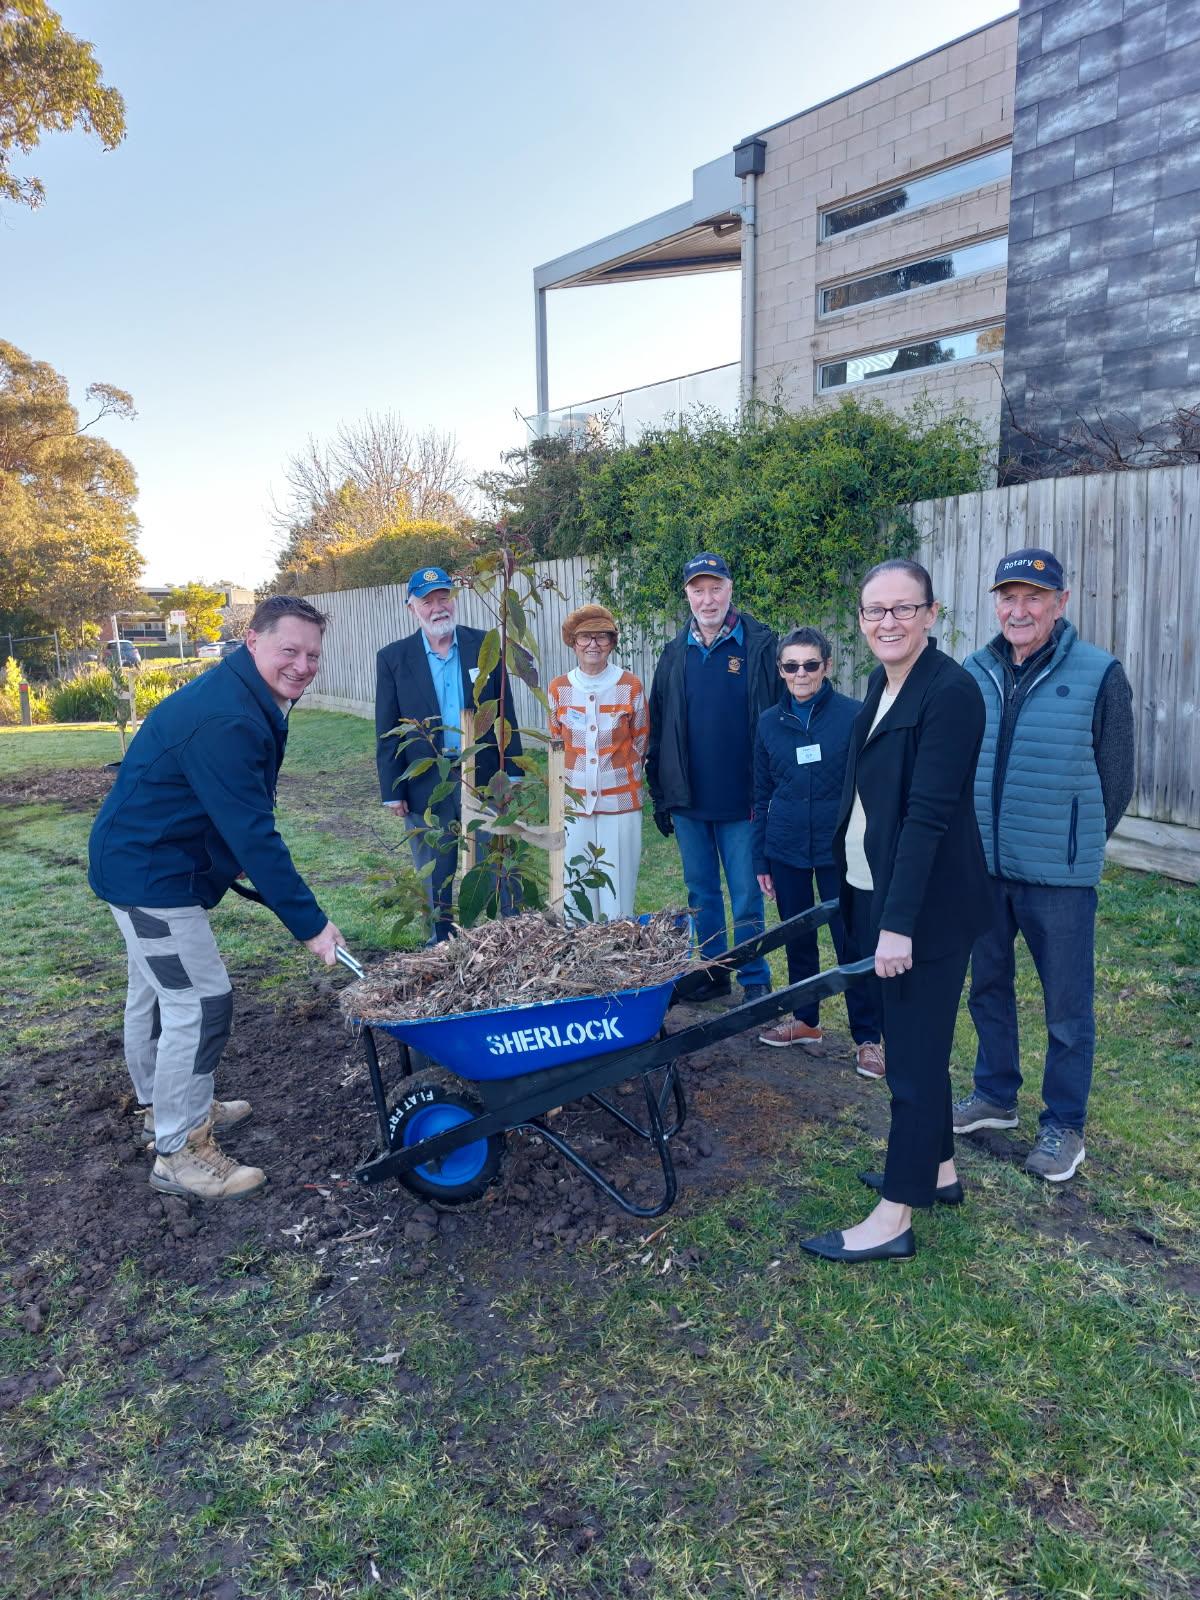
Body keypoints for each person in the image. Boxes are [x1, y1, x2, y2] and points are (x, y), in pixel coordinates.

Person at [88, 596, 345, 1201]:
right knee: (201, 1004)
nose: (303, 665)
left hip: (145, 859)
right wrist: (310, 924)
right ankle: (178, 1152)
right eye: (290, 650)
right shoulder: (228, 717)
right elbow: (251, 832)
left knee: (156, 993)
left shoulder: (242, 695)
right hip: (150, 876)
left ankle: (163, 1107)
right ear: (252, 640)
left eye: (312, 654)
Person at [800, 559, 990, 1264]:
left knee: (909, 1062)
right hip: (874, 890)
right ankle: (937, 1172)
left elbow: (927, 818)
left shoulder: (952, 695)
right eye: (875, 610)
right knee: (920, 1048)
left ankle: (893, 1216)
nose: (888, 622)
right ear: (860, 619)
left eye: (903, 609)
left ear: (931, 614)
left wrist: (897, 924)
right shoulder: (883, 684)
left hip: (926, 910)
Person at [955, 548, 1135, 1182]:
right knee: (987, 987)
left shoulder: (1097, 673)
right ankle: (995, 1094)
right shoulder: (973, 671)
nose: (1020, 609)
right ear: (996, 603)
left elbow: (1116, 779)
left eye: (1034, 597)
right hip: (983, 868)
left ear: (1060, 604)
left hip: (1058, 878)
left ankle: (1064, 1125)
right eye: (1009, 596)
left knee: (1066, 1008)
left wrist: (1073, 840)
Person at [752, 627, 883, 1072]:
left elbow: (873, 784)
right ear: (781, 670)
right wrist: (760, 858)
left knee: (852, 940)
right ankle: (805, 1020)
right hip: (785, 845)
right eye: (792, 666)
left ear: (826, 667)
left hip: (839, 847)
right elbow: (760, 793)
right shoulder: (769, 722)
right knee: (797, 937)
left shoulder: (853, 715)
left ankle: (869, 1037)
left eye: (810, 664)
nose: (801, 673)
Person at [647, 553, 777, 1003]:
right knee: (701, 893)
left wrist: (773, 794)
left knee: (745, 895)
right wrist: (661, 795)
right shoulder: (673, 654)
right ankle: (714, 972)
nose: (708, 599)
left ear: (730, 588)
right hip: (689, 801)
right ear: (687, 595)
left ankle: (754, 979)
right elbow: (658, 727)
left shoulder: (760, 646)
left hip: (743, 800)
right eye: (698, 590)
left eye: (716, 587)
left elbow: (777, 724)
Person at [374, 565, 522, 941]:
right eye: (428, 601)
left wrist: (514, 771)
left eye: (444, 598)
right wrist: (393, 789)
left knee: (496, 858)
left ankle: (508, 935)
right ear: (412, 608)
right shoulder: (394, 658)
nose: (438, 607)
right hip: (427, 780)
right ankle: (440, 943)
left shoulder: (484, 644)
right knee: (436, 867)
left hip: (486, 776)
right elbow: (387, 729)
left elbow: (505, 709)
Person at [548, 604, 649, 921]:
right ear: (573, 642)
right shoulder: (559, 688)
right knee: (577, 894)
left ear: (612, 642)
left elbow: (642, 739)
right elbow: (556, 745)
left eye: (602, 637)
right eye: (585, 637)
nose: (593, 644)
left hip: (620, 803)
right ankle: (581, 961)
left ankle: (618, 957)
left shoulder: (630, 685)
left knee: (616, 892)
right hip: (575, 805)